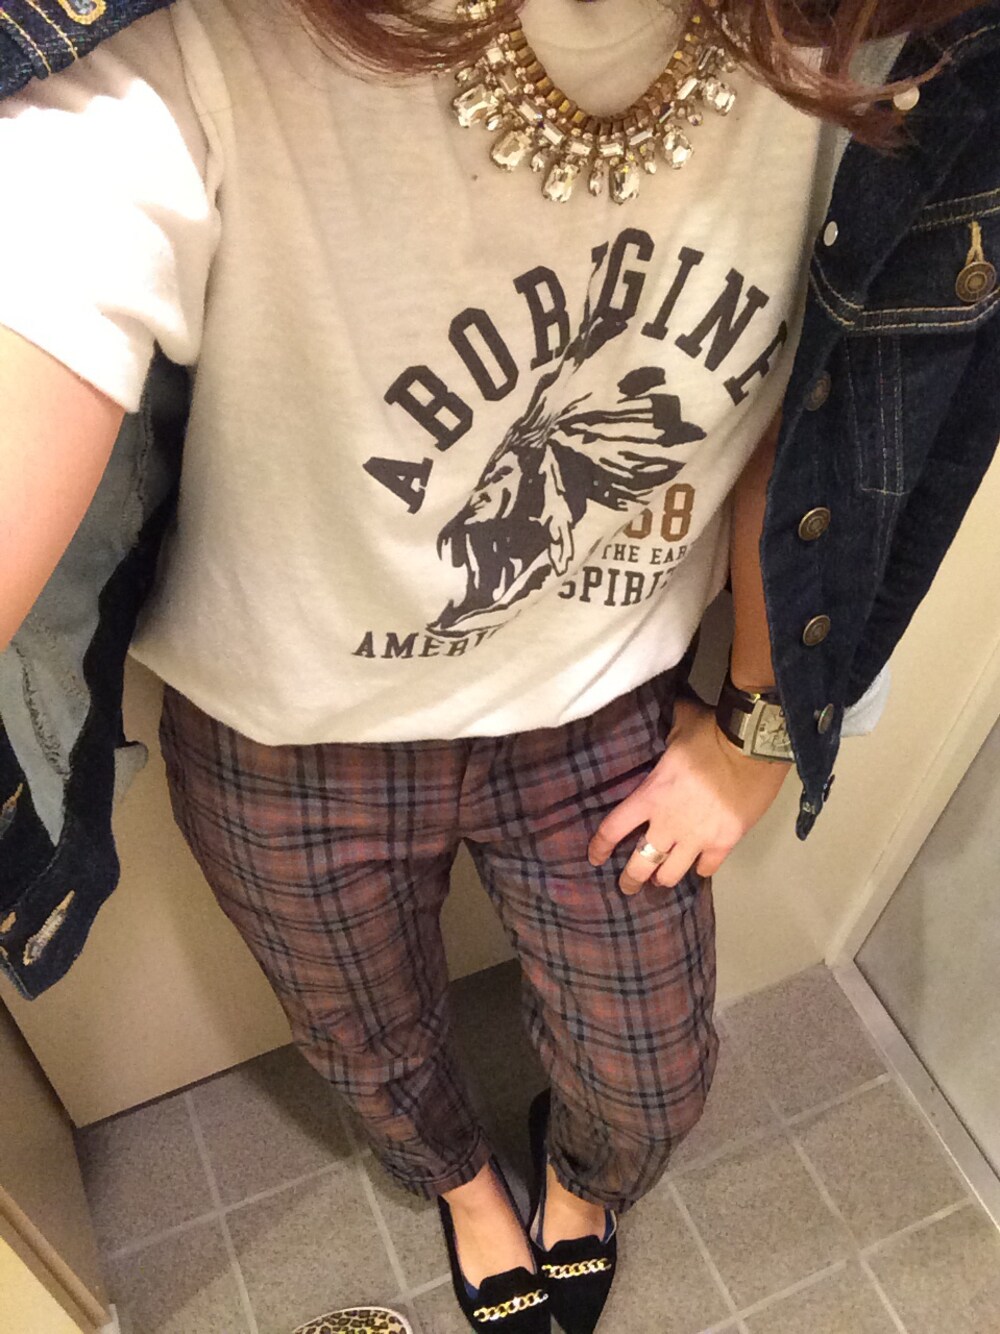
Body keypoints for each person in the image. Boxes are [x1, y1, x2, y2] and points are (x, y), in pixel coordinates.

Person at [1, 0, 998, 1329]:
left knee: (651, 1078)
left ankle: (581, 1182)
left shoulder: (884, 57)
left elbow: (827, 411)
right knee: (368, 1040)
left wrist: (758, 724)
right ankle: (467, 1191)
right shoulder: (183, 55)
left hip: (602, 699)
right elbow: (49, 254)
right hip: (286, 725)